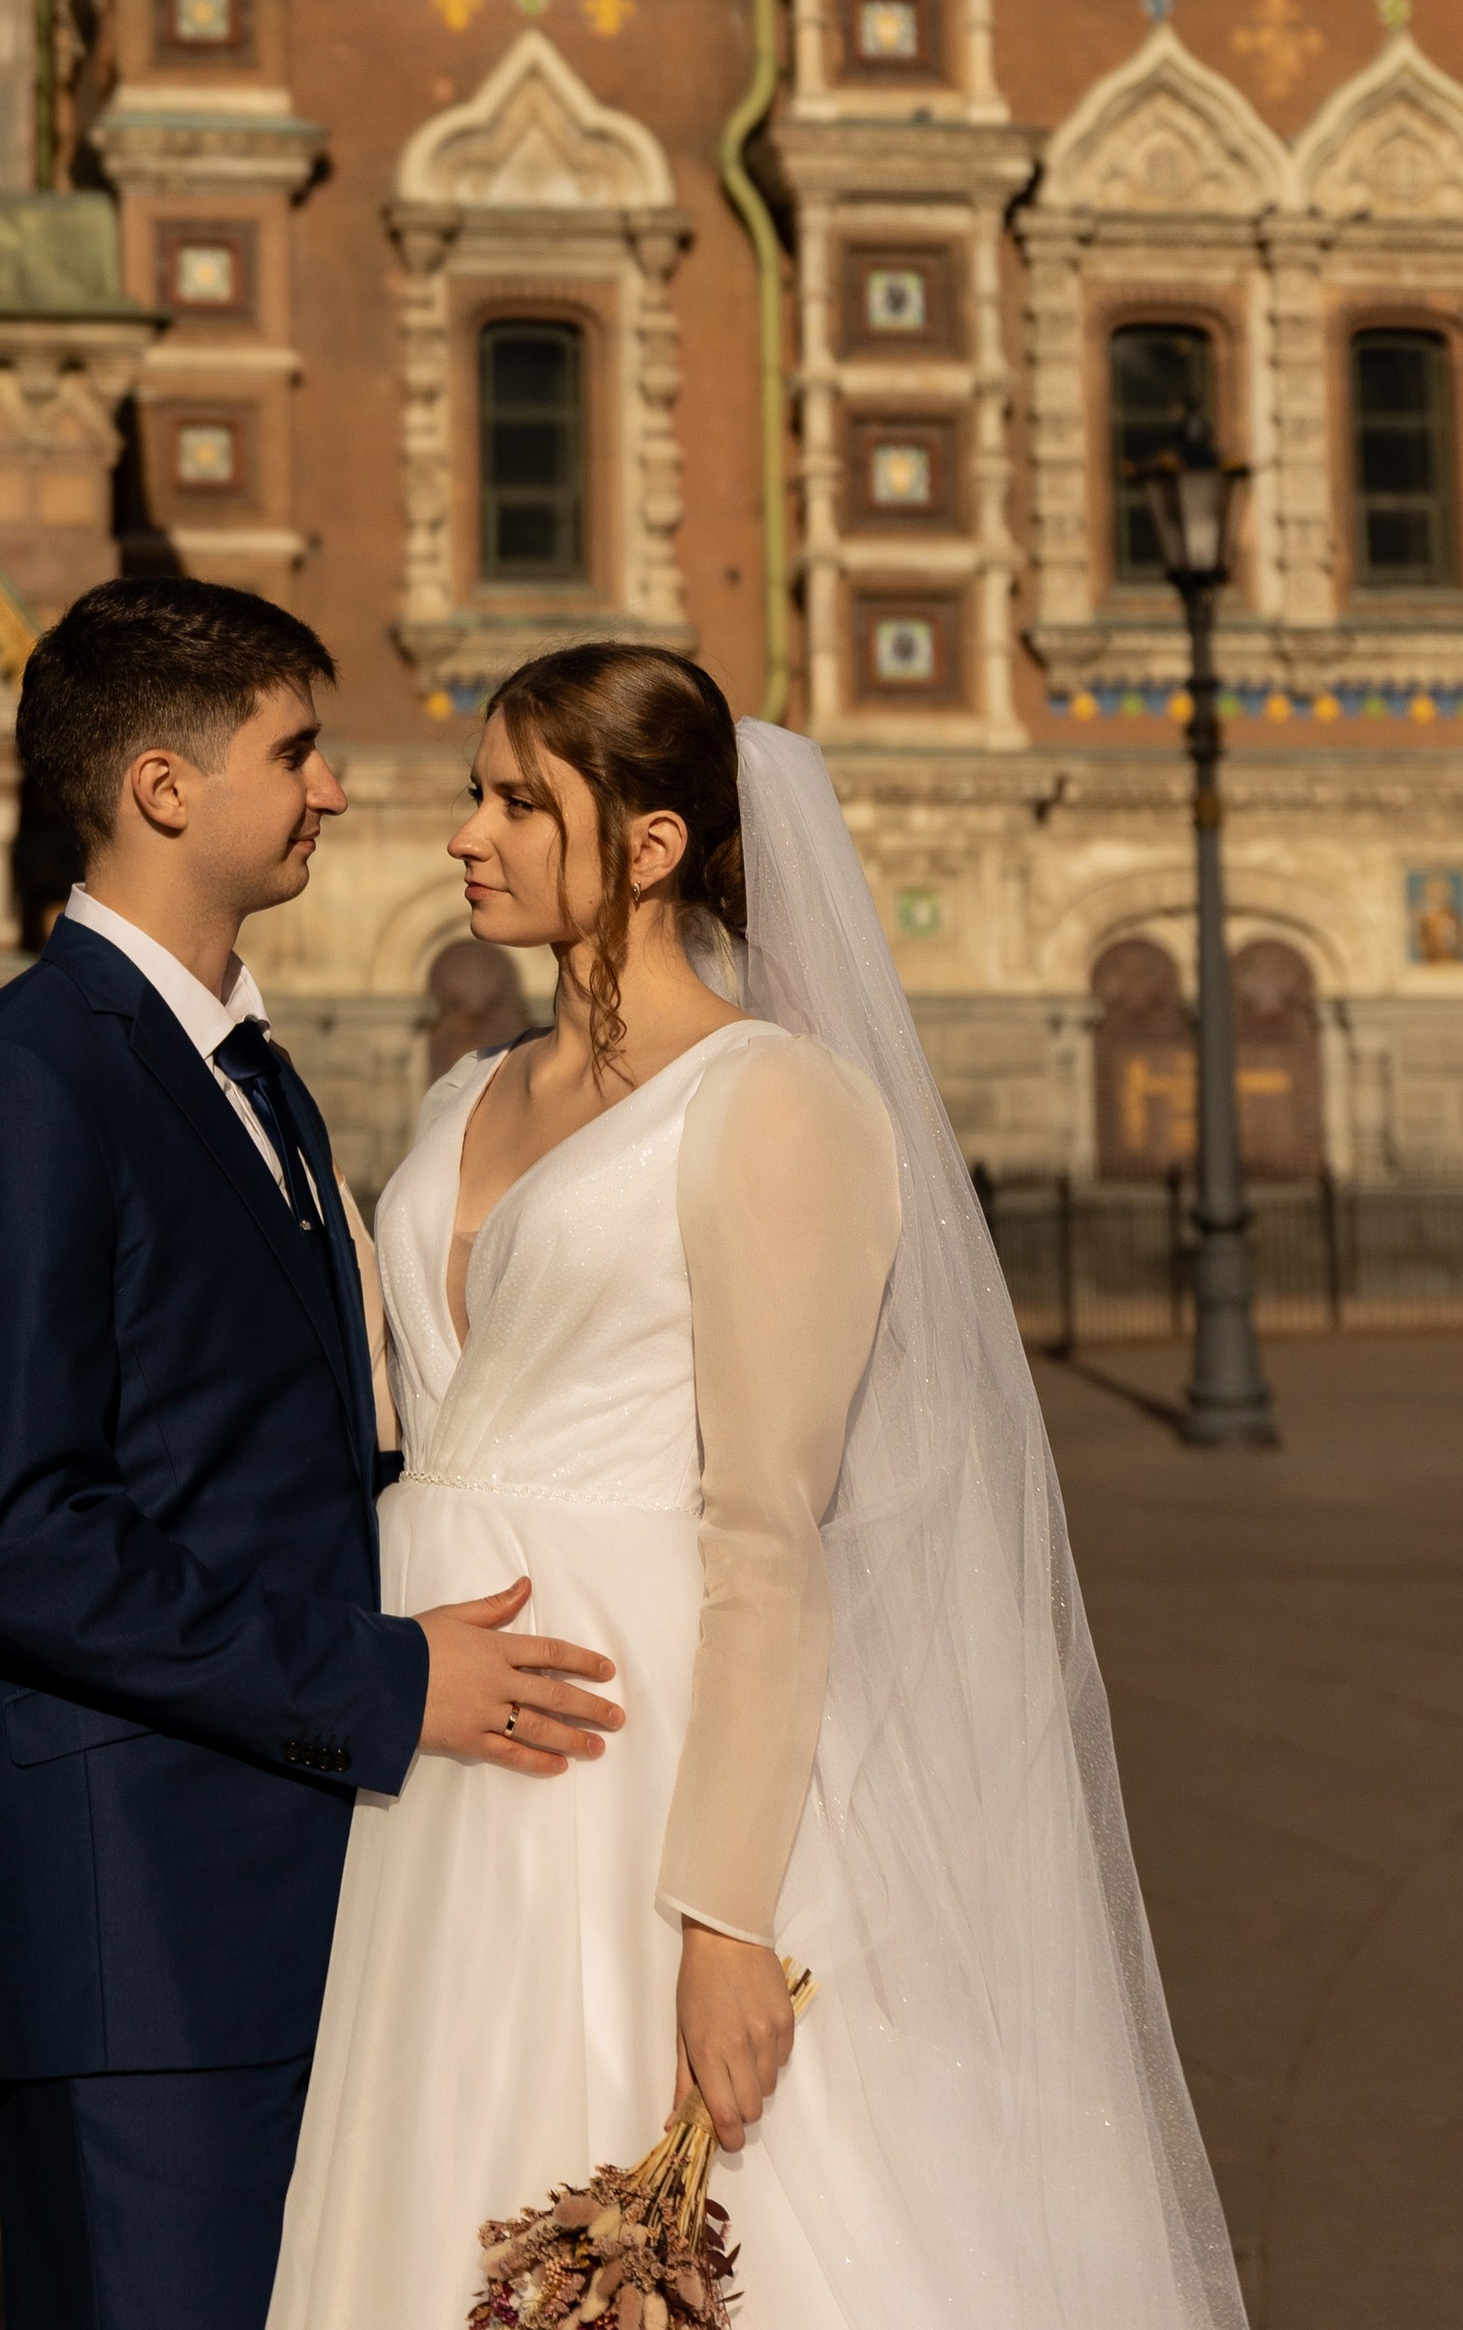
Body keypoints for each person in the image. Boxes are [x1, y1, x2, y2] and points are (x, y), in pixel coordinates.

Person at [270, 644, 1246, 2330]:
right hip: (435, 1751)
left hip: (640, 1758)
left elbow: (769, 1531)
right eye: (476, 796)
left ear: (651, 846)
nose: (465, 835)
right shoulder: (462, 1093)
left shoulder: (777, 1102)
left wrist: (723, 1915)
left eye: (519, 803)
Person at [0, 579, 622, 2330]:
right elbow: (22, 1534)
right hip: (140, 1929)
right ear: (163, 786)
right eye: (294, 753)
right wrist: (387, 1681)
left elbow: (274, 1453)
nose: (333, 790)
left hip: (279, 1885)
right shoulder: (25, 1085)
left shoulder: (247, 1070)